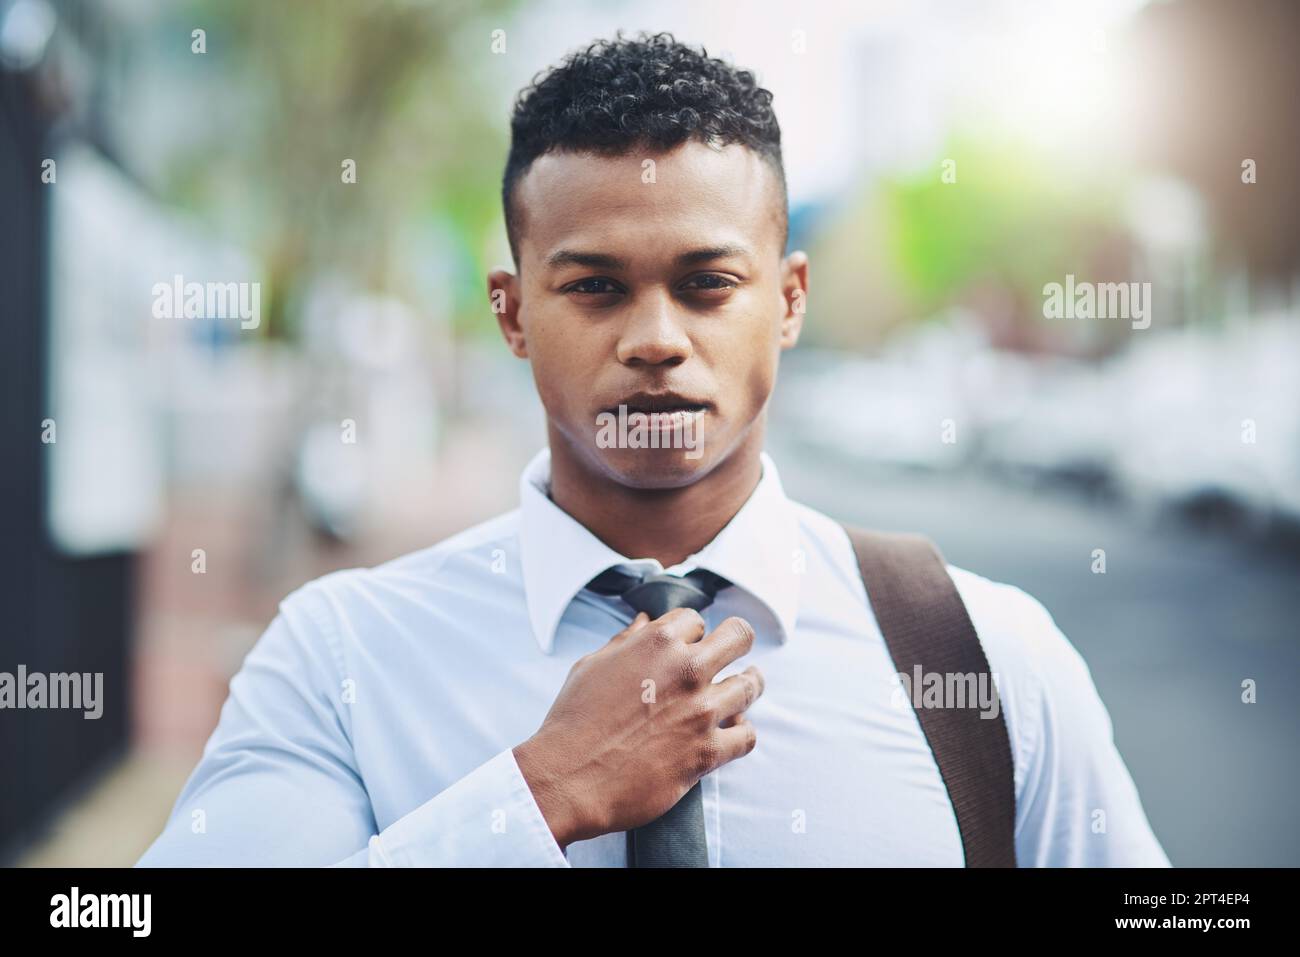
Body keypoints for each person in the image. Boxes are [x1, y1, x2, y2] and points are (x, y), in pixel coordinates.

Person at [137, 32, 1169, 867]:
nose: (655, 340)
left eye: (707, 284)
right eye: (594, 286)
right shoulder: (340, 655)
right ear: (511, 314)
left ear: (790, 300)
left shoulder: (983, 654)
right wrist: (539, 795)